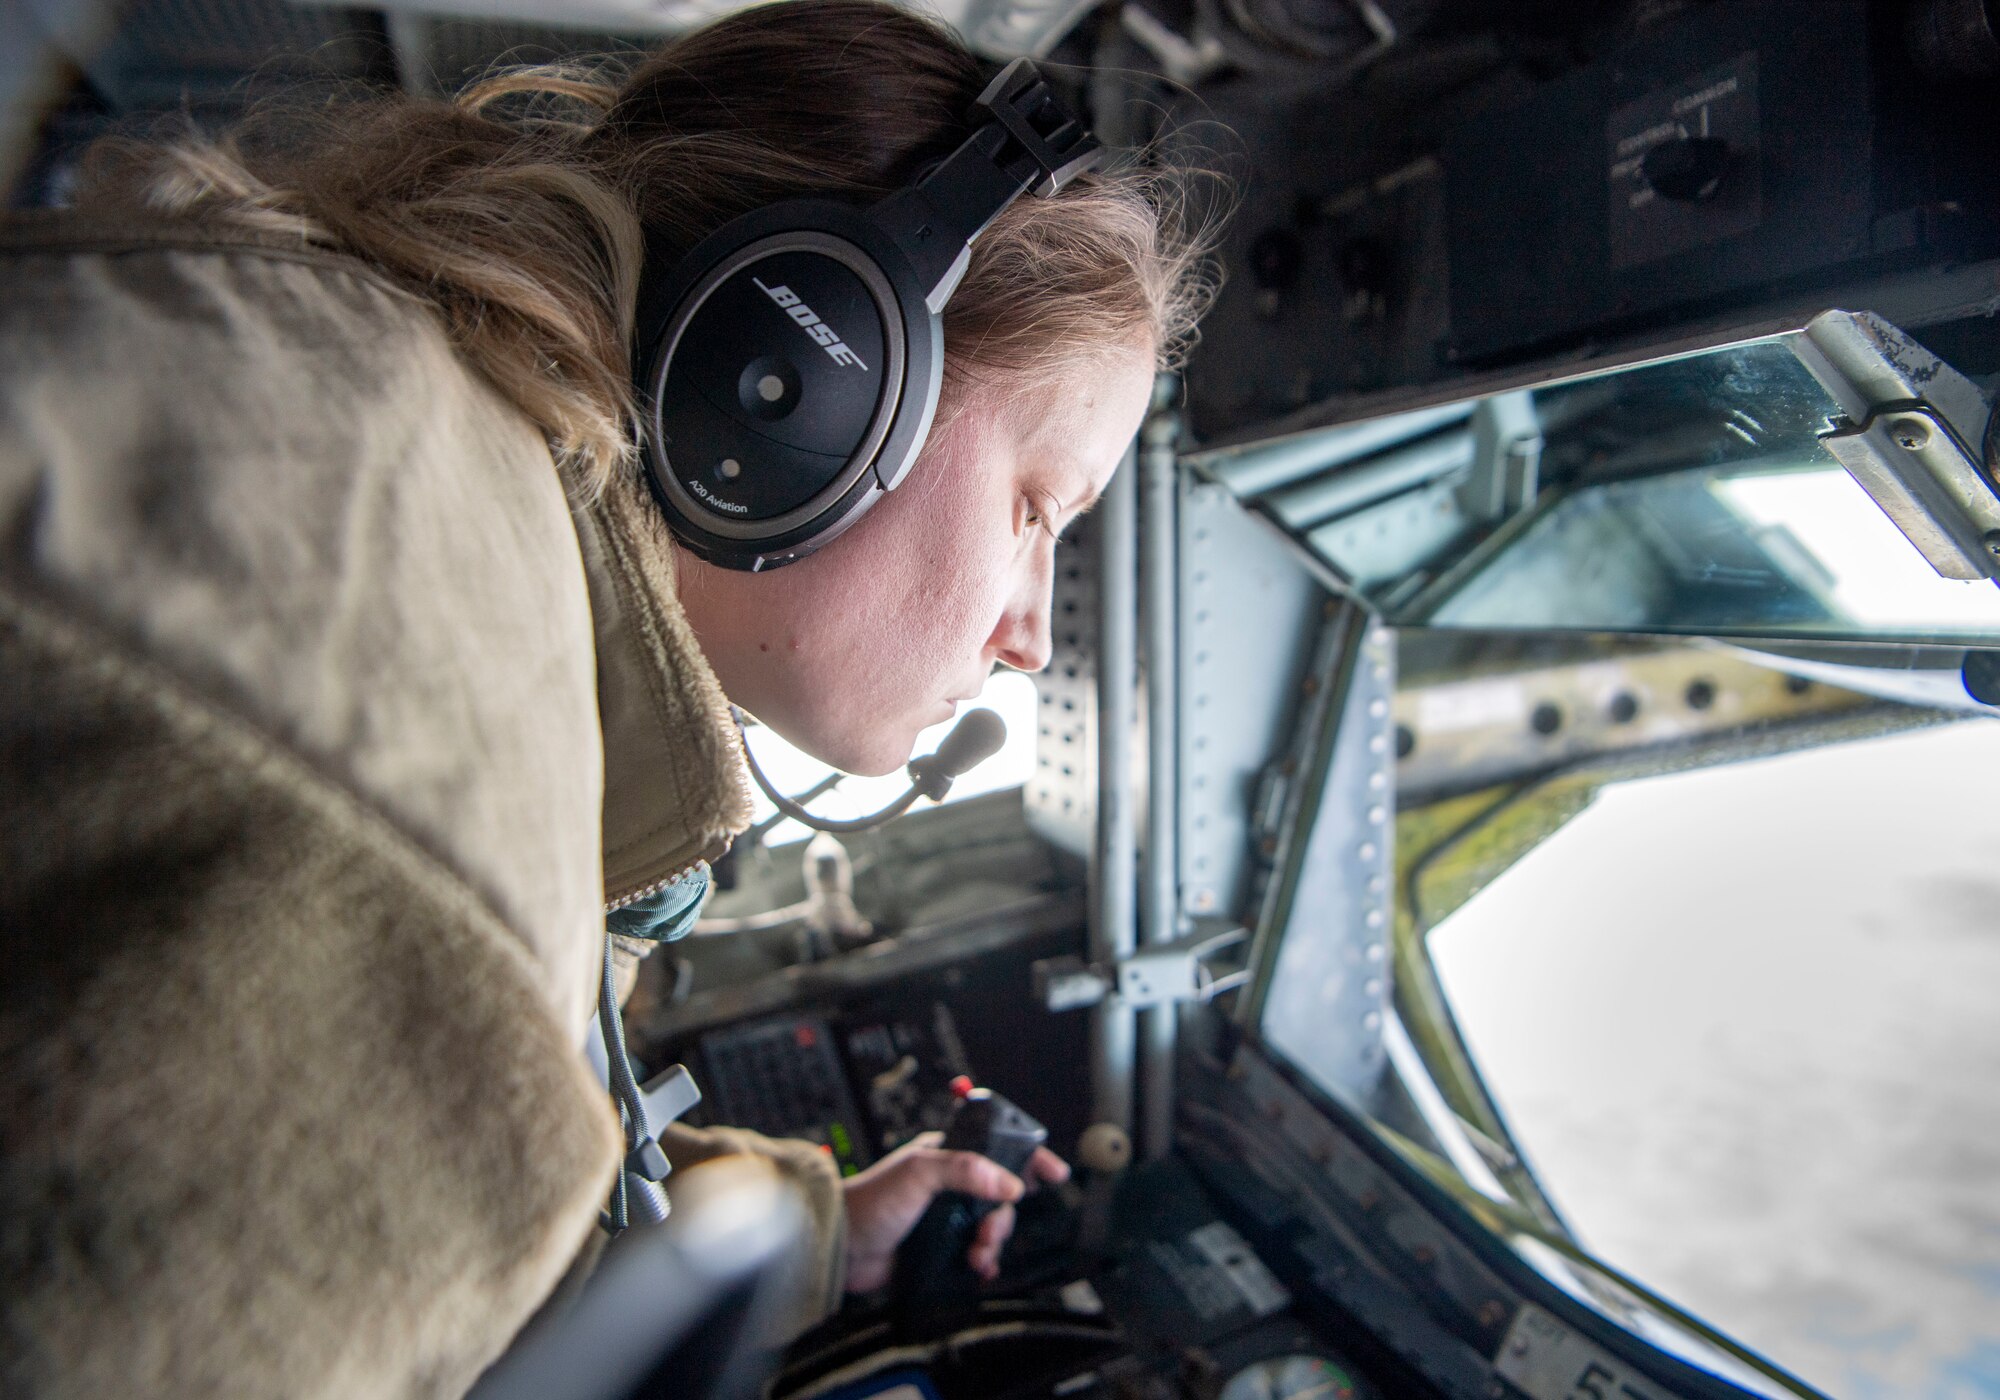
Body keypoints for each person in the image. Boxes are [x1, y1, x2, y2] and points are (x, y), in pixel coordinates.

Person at [0, 0, 1213, 1395]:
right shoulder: (404, 767)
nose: (1027, 636)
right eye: (1036, 509)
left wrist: (825, 1230)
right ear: (816, 379)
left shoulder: (417, 482)